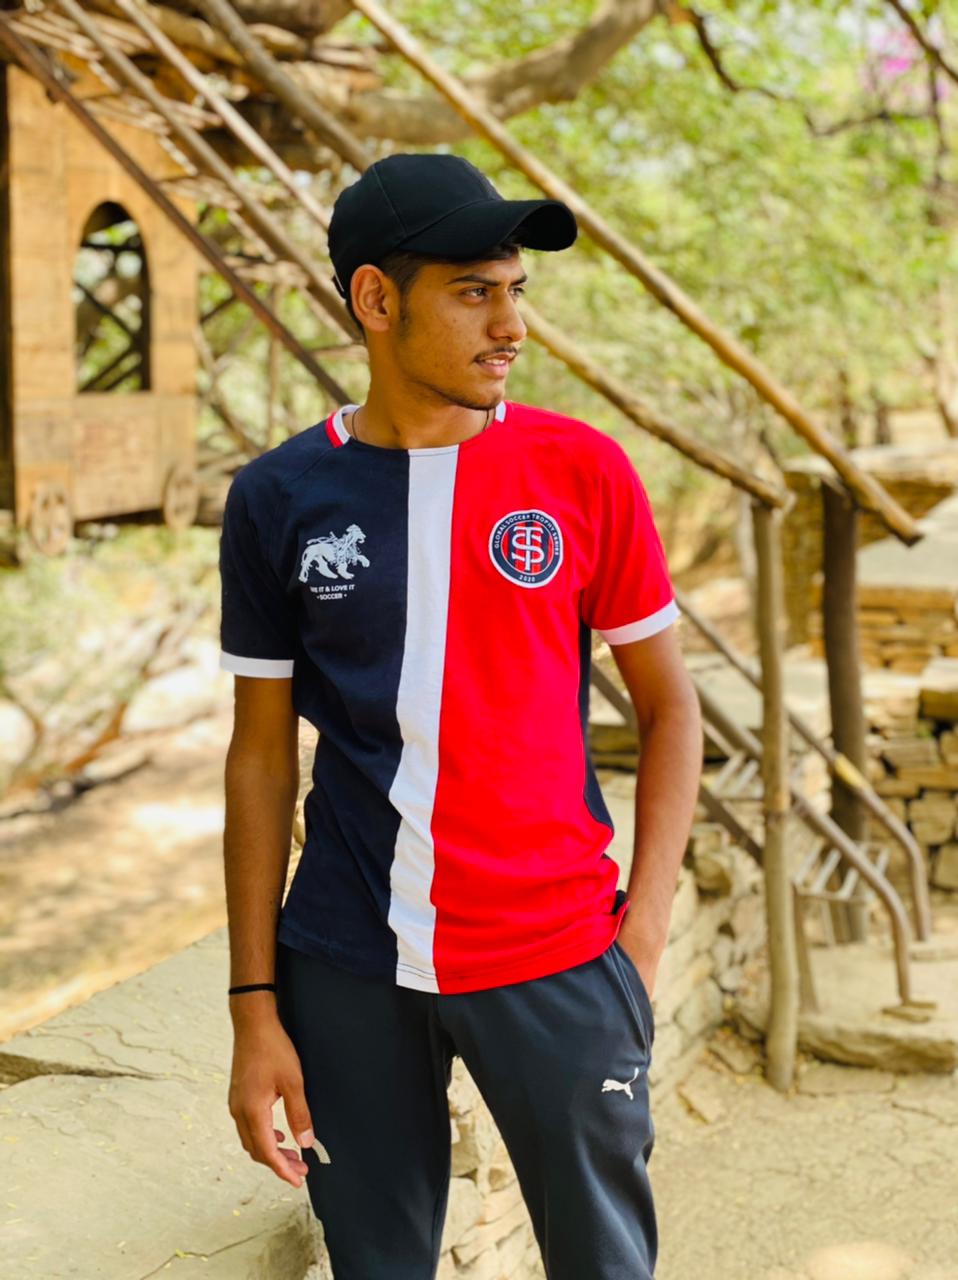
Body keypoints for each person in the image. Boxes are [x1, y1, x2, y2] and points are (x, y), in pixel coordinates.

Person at [219, 151, 703, 1280]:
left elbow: (670, 708)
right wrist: (253, 1007)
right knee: (376, 1265)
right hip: (344, 962)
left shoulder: (582, 472)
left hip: (557, 955)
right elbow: (259, 759)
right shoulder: (279, 497)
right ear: (375, 300)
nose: (510, 325)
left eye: (515, 291)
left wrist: (640, 937)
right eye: (473, 292)